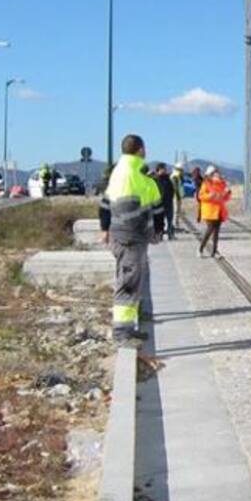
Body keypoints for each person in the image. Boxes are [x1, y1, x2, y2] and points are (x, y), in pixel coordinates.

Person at [98, 134, 164, 345]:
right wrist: (151, 232)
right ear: (140, 149)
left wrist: (105, 228)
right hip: (131, 238)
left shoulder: (120, 172)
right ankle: (121, 334)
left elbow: (105, 204)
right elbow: (131, 211)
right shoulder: (134, 175)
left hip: (125, 237)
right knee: (127, 283)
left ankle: (128, 329)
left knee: (133, 282)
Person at [198, 165, 231, 256]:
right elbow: (201, 196)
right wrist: (210, 196)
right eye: (214, 172)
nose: (217, 174)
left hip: (219, 211)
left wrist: (228, 193)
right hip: (209, 211)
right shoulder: (206, 183)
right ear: (209, 174)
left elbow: (225, 199)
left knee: (216, 232)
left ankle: (214, 251)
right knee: (209, 230)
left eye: (217, 172)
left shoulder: (222, 184)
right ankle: (200, 249)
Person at [153, 163, 176, 240]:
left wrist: (170, 198)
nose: (164, 171)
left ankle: (170, 234)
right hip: (159, 204)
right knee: (160, 220)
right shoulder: (155, 180)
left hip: (168, 203)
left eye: (165, 169)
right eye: (162, 169)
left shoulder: (168, 179)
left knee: (170, 220)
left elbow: (172, 190)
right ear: (158, 170)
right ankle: (160, 235)